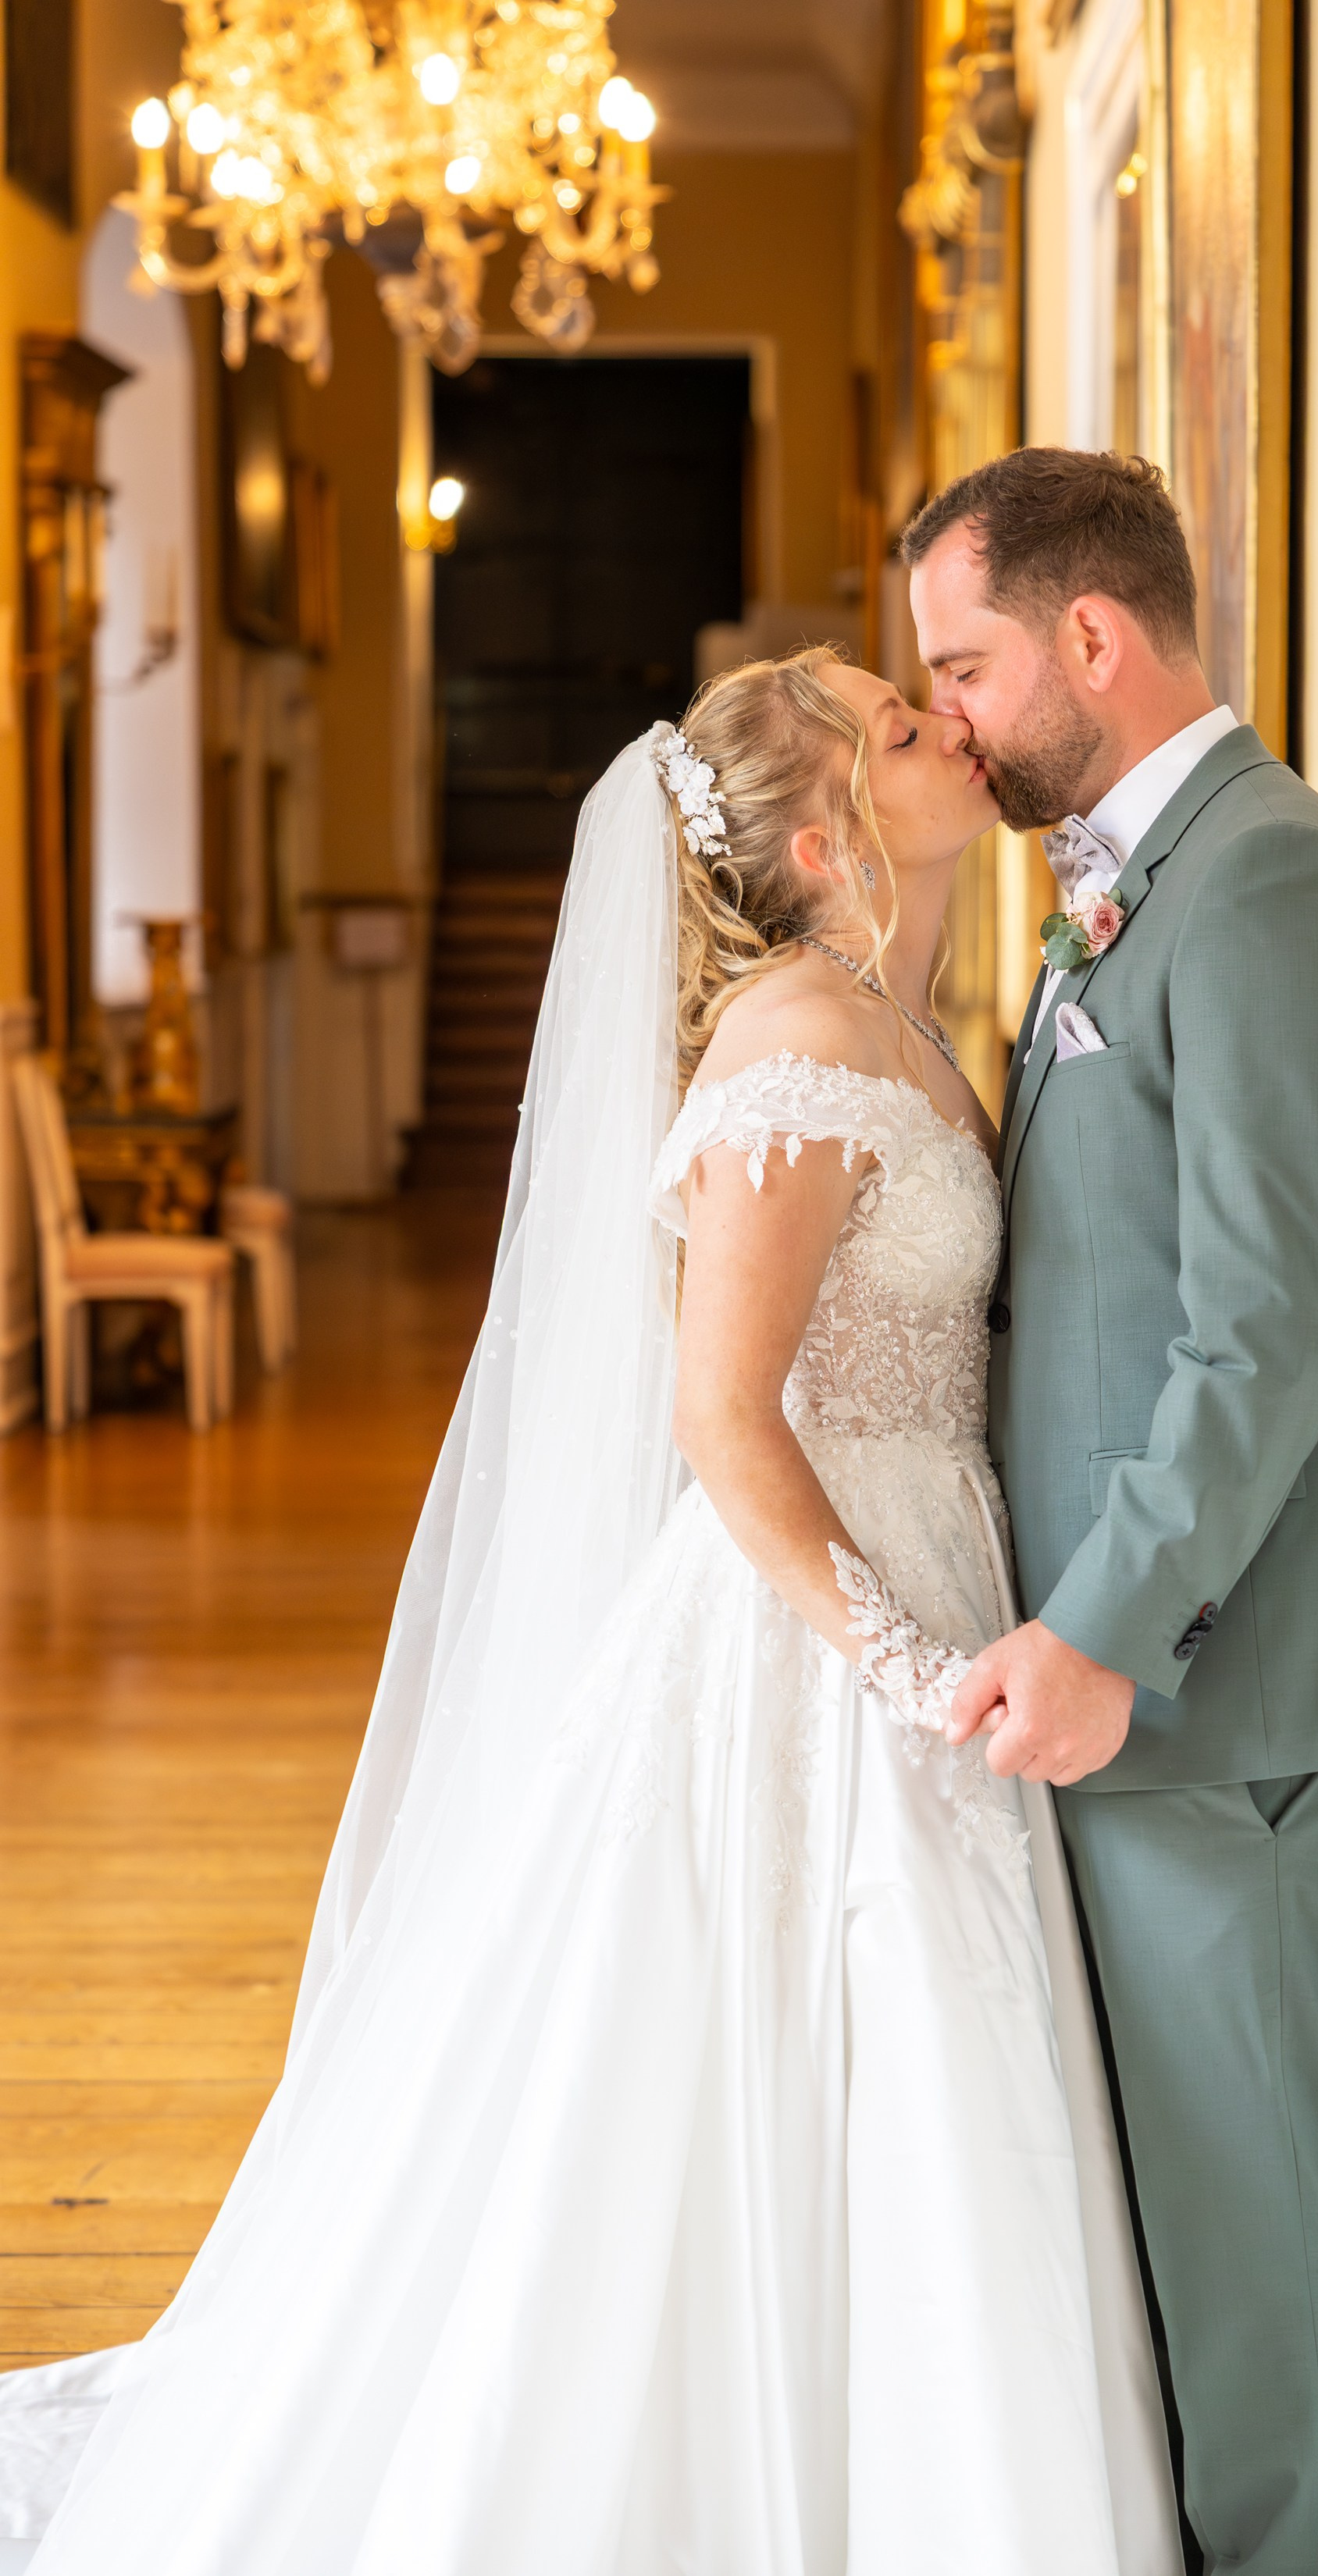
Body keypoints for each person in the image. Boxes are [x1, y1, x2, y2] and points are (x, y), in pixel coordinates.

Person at [0, 649, 1181, 2575]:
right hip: (826, 1634)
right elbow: (720, 1413)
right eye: (903, 727)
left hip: (929, 1569)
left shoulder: (885, 1013)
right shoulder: (799, 1041)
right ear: (828, 836)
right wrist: (901, 1664)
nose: (946, 729)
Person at [903, 446, 1318, 2576]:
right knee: (1178, 2237)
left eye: (966, 662)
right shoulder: (1148, 872)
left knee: (1250, 2256)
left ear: (1093, 641)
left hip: (1239, 1703)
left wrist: (1107, 1625)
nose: (947, 711)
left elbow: (1264, 1328)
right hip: (1152, 1704)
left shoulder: (1275, 884)